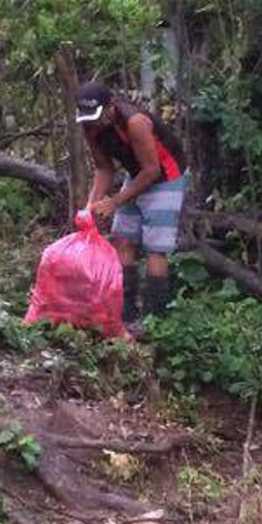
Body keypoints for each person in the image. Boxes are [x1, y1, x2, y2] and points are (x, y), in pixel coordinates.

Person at [75, 81, 187, 335]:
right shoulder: (90, 128)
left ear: (111, 108)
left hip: (166, 176)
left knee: (155, 247)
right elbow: (104, 168)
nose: (93, 124)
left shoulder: (135, 123)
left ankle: (154, 318)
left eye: (96, 117)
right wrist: (91, 205)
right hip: (137, 175)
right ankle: (125, 312)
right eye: (88, 119)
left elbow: (152, 171)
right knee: (123, 238)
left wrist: (115, 202)